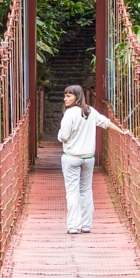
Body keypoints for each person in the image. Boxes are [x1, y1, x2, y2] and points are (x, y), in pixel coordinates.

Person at [56, 85, 129, 234]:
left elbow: (63, 136)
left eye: (68, 96)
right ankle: (86, 225)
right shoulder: (89, 111)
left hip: (71, 158)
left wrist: (63, 137)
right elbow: (106, 123)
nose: (65, 99)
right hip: (88, 159)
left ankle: (73, 226)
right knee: (86, 190)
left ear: (77, 96)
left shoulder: (70, 114)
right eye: (65, 96)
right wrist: (122, 132)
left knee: (72, 192)